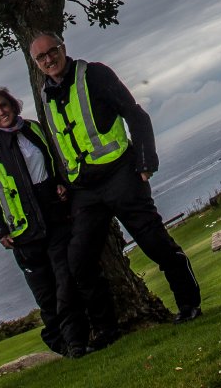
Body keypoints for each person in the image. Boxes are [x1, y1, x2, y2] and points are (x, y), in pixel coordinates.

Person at [29, 31, 202, 346]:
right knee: (79, 261)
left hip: (120, 174)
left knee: (154, 242)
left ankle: (189, 304)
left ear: (62, 48)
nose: (48, 59)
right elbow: (60, 142)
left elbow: (135, 114)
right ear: (36, 63)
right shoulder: (46, 94)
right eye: (41, 57)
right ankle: (107, 328)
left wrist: (146, 161)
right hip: (85, 189)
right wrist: (65, 183)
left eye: (51, 51)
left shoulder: (93, 73)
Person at [0, 87, 89, 358]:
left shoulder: (34, 130)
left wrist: (62, 185)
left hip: (54, 217)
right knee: (46, 295)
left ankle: (75, 344)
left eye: (4, 105)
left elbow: (54, 162)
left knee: (66, 283)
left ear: (13, 105)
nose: (1, 112)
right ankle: (57, 340)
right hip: (23, 230)